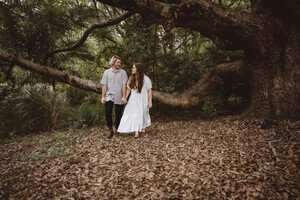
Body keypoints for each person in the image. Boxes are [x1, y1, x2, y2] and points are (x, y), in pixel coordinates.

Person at [117, 63, 152, 138]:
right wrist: (125, 97)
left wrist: (150, 102)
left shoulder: (146, 79)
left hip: (143, 99)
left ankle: (142, 127)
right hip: (133, 99)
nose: (132, 69)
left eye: (133, 68)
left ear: (138, 69)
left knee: (141, 113)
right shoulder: (131, 78)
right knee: (134, 113)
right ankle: (136, 131)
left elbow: (149, 91)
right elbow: (129, 90)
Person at [101, 55, 128, 138]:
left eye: (120, 63)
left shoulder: (123, 73)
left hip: (119, 96)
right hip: (109, 95)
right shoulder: (107, 72)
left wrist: (124, 96)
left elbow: (124, 85)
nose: (119, 64)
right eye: (118, 62)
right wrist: (103, 97)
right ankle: (110, 129)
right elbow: (104, 85)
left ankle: (117, 128)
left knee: (118, 114)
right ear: (113, 62)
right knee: (108, 112)